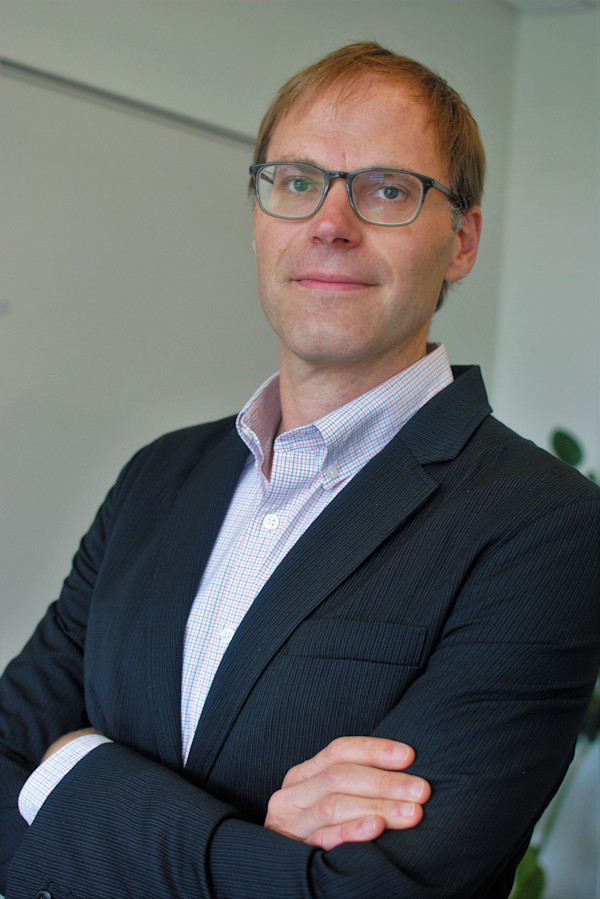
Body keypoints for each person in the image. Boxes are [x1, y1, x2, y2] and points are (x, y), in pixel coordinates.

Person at [1, 40, 598, 899]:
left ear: (462, 241)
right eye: (296, 181)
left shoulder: (543, 527)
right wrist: (250, 843)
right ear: (259, 217)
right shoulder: (156, 478)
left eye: (387, 190)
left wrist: (71, 770)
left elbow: (369, 892)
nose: (330, 222)